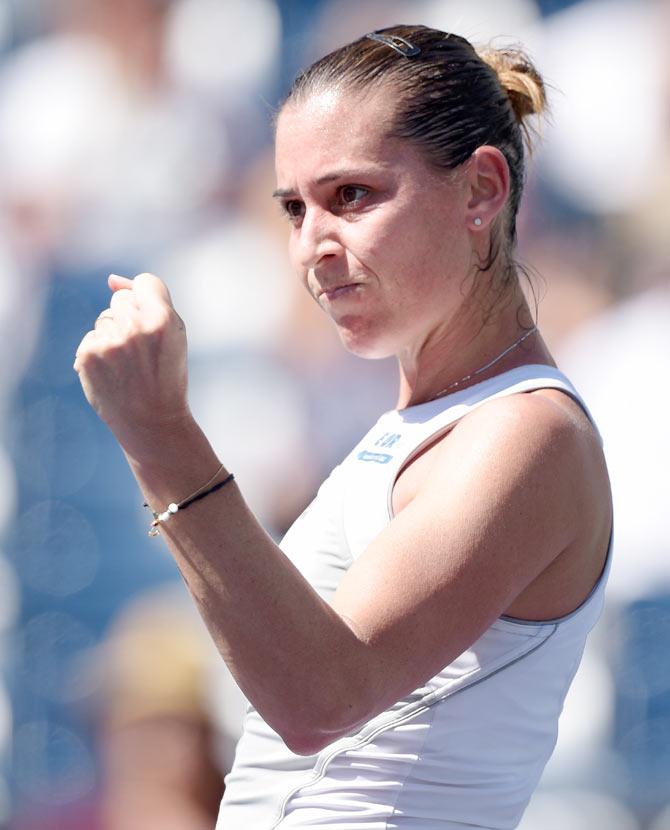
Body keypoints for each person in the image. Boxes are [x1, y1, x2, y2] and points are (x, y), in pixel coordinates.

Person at [73, 24, 613, 830]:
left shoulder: (527, 433)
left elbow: (322, 696)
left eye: (351, 196)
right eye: (295, 208)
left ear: (481, 190)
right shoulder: (430, 422)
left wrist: (159, 434)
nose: (311, 247)